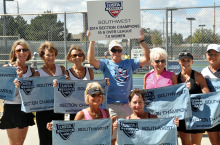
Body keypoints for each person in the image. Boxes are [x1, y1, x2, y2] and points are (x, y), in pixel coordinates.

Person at [87, 30, 150, 145]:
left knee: (128, 135)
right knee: (111, 136)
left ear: (122, 51)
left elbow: (147, 58)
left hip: (127, 104)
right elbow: (91, 60)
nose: (116, 52)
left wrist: (141, 40)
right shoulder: (105, 64)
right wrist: (92, 42)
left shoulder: (129, 63)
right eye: (113, 50)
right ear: (109, 52)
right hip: (110, 105)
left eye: (119, 50)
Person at [0, 39, 35, 145]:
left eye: (24, 50)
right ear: (14, 53)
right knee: (14, 143)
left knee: (21, 142)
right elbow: (5, 93)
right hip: (12, 108)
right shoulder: (7, 68)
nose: (21, 52)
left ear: (28, 52)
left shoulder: (31, 71)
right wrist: (16, 81)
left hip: (25, 108)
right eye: (18, 50)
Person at [33, 41, 66, 145]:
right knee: (44, 139)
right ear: (42, 56)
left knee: (58, 137)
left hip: (58, 108)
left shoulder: (61, 69)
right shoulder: (38, 73)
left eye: (53, 55)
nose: (51, 57)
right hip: (43, 109)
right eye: (48, 55)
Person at [113, 89, 179, 139]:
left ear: (144, 102)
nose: (137, 105)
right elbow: (122, 141)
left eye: (140, 102)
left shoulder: (153, 118)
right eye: (134, 102)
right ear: (129, 104)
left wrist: (173, 124)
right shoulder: (127, 121)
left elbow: (163, 132)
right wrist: (118, 130)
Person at [177, 51, 210, 145]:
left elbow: (207, 94)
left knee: (196, 144)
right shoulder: (176, 78)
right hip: (183, 115)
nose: (185, 63)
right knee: (185, 143)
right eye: (183, 60)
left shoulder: (198, 76)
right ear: (179, 61)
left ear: (192, 62)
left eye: (188, 60)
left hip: (197, 115)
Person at [53, 45, 94, 120]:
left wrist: (105, 83)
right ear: (70, 58)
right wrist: (56, 83)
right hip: (74, 108)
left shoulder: (89, 71)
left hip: (88, 107)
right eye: (74, 55)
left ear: (83, 57)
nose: (77, 57)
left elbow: (93, 87)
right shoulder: (67, 72)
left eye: (80, 55)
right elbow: (63, 88)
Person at [201, 44, 220, 145]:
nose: (212, 57)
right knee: (215, 143)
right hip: (211, 113)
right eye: (210, 54)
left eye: (215, 54)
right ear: (206, 55)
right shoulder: (204, 72)